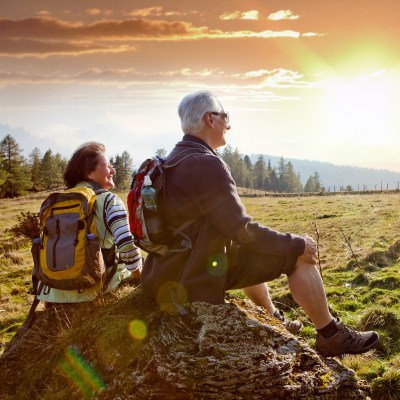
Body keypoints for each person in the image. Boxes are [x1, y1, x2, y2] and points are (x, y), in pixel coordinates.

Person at [141, 90, 379, 357]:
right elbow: (242, 231)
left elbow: (227, 229)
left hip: (165, 273)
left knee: (252, 250)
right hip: (191, 279)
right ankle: (331, 336)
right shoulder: (206, 164)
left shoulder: (172, 159)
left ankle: (273, 317)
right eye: (225, 117)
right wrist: (296, 243)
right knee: (298, 257)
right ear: (210, 119)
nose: (228, 125)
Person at [37, 142, 142, 303]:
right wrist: (139, 277)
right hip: (94, 289)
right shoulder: (109, 200)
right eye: (107, 166)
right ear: (89, 173)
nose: (113, 170)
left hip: (54, 291)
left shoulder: (57, 202)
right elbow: (126, 246)